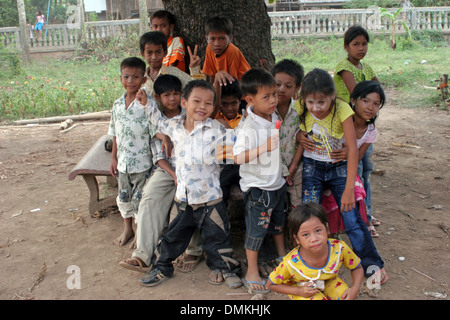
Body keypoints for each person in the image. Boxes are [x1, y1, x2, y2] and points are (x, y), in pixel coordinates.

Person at [139, 80, 242, 289]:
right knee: (173, 236)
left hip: (210, 199)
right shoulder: (174, 126)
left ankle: (225, 269)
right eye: (197, 101)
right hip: (184, 198)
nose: (202, 107)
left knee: (218, 237)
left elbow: (240, 141)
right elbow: (157, 120)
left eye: (209, 103)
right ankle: (162, 267)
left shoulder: (216, 129)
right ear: (184, 102)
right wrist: (147, 102)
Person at [293, 68, 388, 284]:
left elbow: (353, 150)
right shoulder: (299, 106)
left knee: (352, 217)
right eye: (310, 103)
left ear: (332, 96)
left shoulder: (343, 110)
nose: (316, 108)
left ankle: (373, 265)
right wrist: (299, 134)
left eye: (321, 102)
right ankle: (310, 266)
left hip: (339, 168)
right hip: (312, 167)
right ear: (303, 99)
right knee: (308, 217)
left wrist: (348, 189)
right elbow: (289, 125)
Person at [119, 74, 183, 272]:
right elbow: (159, 158)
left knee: (188, 203)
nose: (172, 99)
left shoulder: (190, 116)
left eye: (176, 94)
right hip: (167, 169)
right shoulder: (156, 121)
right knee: (149, 197)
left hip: (192, 170)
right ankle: (142, 256)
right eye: (167, 95)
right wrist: (173, 175)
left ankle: (190, 252)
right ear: (158, 97)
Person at [233, 68, 287, 294]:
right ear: (250, 99)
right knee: (257, 230)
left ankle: (282, 257)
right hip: (258, 188)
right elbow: (237, 157)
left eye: (274, 94)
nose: (274, 100)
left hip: (277, 183)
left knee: (278, 224)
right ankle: (252, 271)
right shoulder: (248, 127)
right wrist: (261, 148)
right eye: (267, 97)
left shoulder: (272, 116)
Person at [320, 81, 386, 237]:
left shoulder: (370, 131)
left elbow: (357, 159)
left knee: (358, 189)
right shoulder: (339, 120)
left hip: (346, 168)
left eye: (376, 104)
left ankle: (362, 221)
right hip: (324, 165)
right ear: (354, 100)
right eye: (366, 101)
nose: (370, 107)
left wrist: (350, 153)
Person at [334, 25, 381, 232]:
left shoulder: (367, 68)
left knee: (366, 171)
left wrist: (371, 99)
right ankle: (360, 217)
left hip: (366, 126)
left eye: (364, 44)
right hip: (349, 123)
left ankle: (367, 213)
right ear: (346, 47)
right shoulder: (344, 67)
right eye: (356, 44)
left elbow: (377, 89)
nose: (361, 48)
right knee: (355, 172)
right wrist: (369, 98)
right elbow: (356, 91)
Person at [267, 203, 364, 300]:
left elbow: (357, 267)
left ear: (326, 228)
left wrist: (355, 288)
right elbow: (271, 284)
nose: (314, 239)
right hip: (302, 288)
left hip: (330, 281)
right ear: (297, 239)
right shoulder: (291, 263)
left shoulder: (339, 248)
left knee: (344, 296)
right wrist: (299, 291)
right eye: (305, 235)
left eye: (318, 230)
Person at [108, 57, 153, 246]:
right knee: (124, 196)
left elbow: (155, 130)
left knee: (139, 199)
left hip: (142, 162)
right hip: (123, 162)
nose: (130, 81)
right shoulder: (117, 105)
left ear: (143, 80)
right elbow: (115, 134)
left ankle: (137, 230)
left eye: (135, 77)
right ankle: (127, 227)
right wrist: (113, 158)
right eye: (126, 76)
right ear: (120, 79)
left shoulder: (147, 105)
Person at [272, 59, 304, 208]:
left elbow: (302, 140)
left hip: (295, 168)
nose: (282, 89)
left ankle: (297, 230)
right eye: (277, 84)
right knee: (274, 210)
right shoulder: (266, 112)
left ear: (297, 88)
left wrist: (293, 167)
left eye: (288, 86)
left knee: (298, 206)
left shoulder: (301, 111)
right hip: (272, 169)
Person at [188, 16, 251, 87]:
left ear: (230, 38)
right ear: (207, 39)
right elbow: (211, 75)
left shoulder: (232, 51)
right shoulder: (209, 48)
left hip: (242, 88)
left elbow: (233, 80)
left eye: (222, 38)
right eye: (212, 39)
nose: (217, 44)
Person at [140, 31, 193, 98]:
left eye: (158, 52)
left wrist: (194, 69)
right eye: (149, 53)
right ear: (143, 54)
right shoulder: (140, 78)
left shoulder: (174, 73)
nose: (154, 57)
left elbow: (195, 87)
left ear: (165, 52)